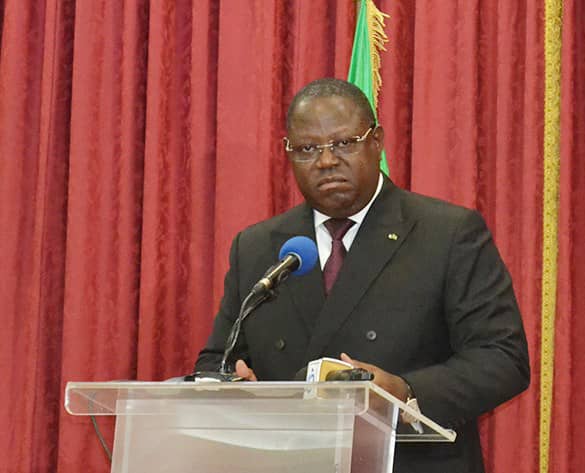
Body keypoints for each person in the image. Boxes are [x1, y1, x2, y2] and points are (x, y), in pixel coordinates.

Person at [194, 78, 530, 472]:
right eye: (307, 149)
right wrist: (234, 388)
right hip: (292, 461)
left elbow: (502, 359)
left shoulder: (447, 233)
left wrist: (403, 392)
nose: (326, 161)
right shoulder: (258, 246)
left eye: (343, 143)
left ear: (377, 141)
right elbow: (217, 360)